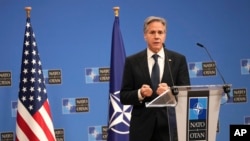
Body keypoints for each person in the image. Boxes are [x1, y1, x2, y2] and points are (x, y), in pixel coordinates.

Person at [120, 16, 190, 141]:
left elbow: (186, 94)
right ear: (145, 35)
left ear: (165, 35)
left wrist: (169, 93)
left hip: (170, 127)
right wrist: (140, 93)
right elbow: (124, 96)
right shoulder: (132, 61)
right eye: (152, 32)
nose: (156, 36)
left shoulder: (178, 60)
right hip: (141, 128)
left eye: (160, 32)